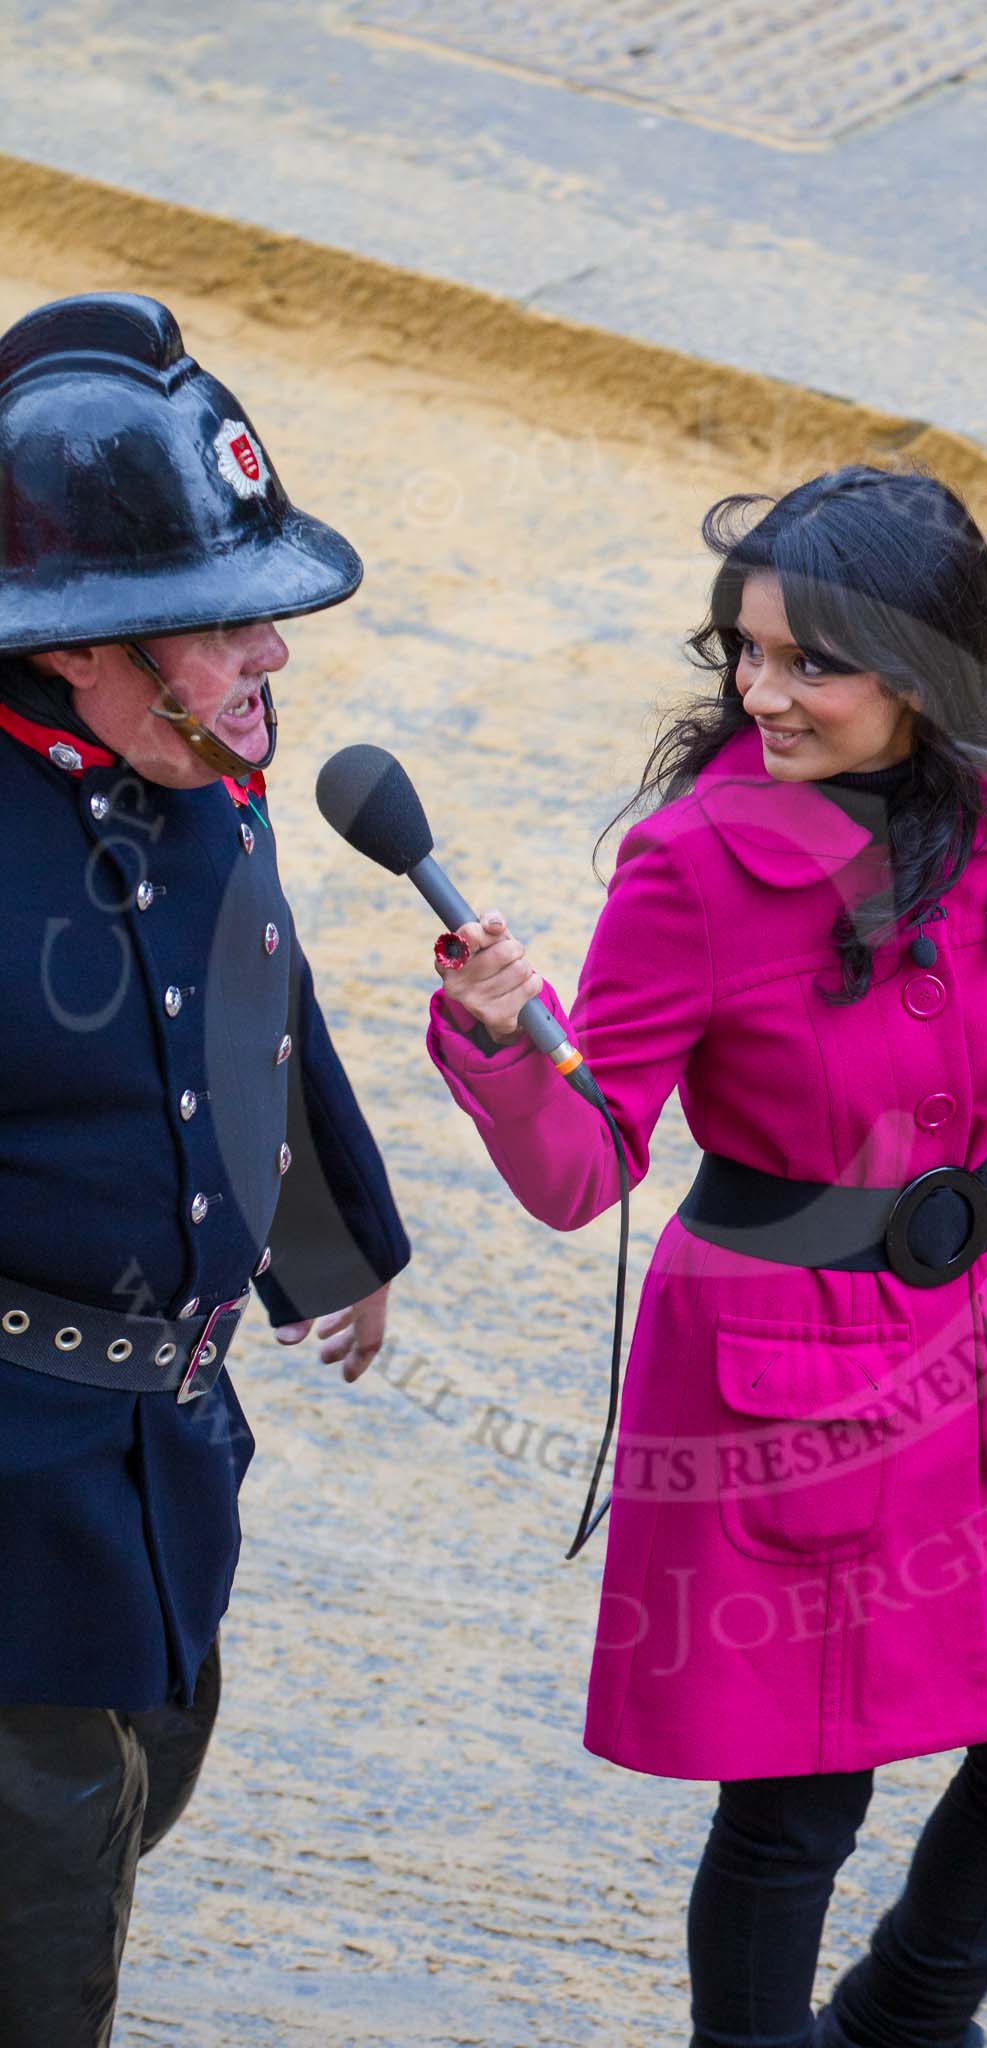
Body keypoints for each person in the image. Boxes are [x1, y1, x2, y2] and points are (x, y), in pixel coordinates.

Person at [423, 466, 987, 2048]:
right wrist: (503, 1044)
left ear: (923, 664)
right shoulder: (689, 865)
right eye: (743, 654)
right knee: (796, 1816)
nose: (761, 693)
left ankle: (901, 2025)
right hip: (777, 1381)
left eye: (806, 662)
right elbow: (588, 1171)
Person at [0, 292, 411, 2048]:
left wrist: (334, 1244)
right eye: (226, 627)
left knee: (155, 1753)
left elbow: (255, 1008)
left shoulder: (202, 772)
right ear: (77, 642)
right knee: (56, 1825)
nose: (274, 666)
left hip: (162, 1426)